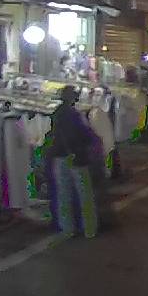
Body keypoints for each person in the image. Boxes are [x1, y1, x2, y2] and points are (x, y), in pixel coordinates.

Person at [45, 86, 102, 237]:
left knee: (63, 193)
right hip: (76, 157)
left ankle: (67, 228)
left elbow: (53, 136)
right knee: (84, 194)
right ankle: (89, 228)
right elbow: (84, 135)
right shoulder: (75, 115)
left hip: (60, 156)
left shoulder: (56, 114)